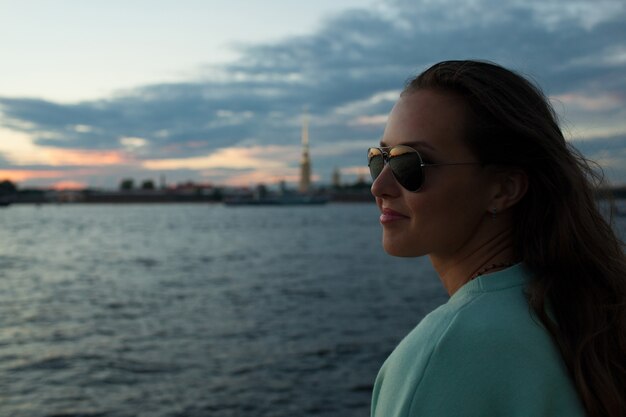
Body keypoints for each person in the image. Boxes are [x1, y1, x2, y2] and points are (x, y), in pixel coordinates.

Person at [368, 60, 626, 417]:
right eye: (379, 159)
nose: (378, 186)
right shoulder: (584, 311)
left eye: (409, 163)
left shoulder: (447, 352)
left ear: (503, 189)